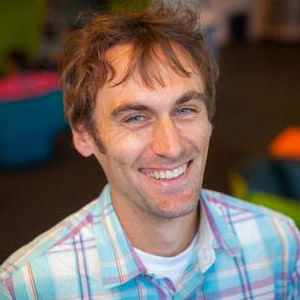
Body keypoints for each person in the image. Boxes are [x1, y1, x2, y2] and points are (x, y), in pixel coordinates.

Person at [0, 3, 299, 299]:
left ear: (209, 118)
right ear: (84, 135)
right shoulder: (30, 286)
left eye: (184, 110)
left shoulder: (280, 245)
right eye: (136, 118)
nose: (171, 147)